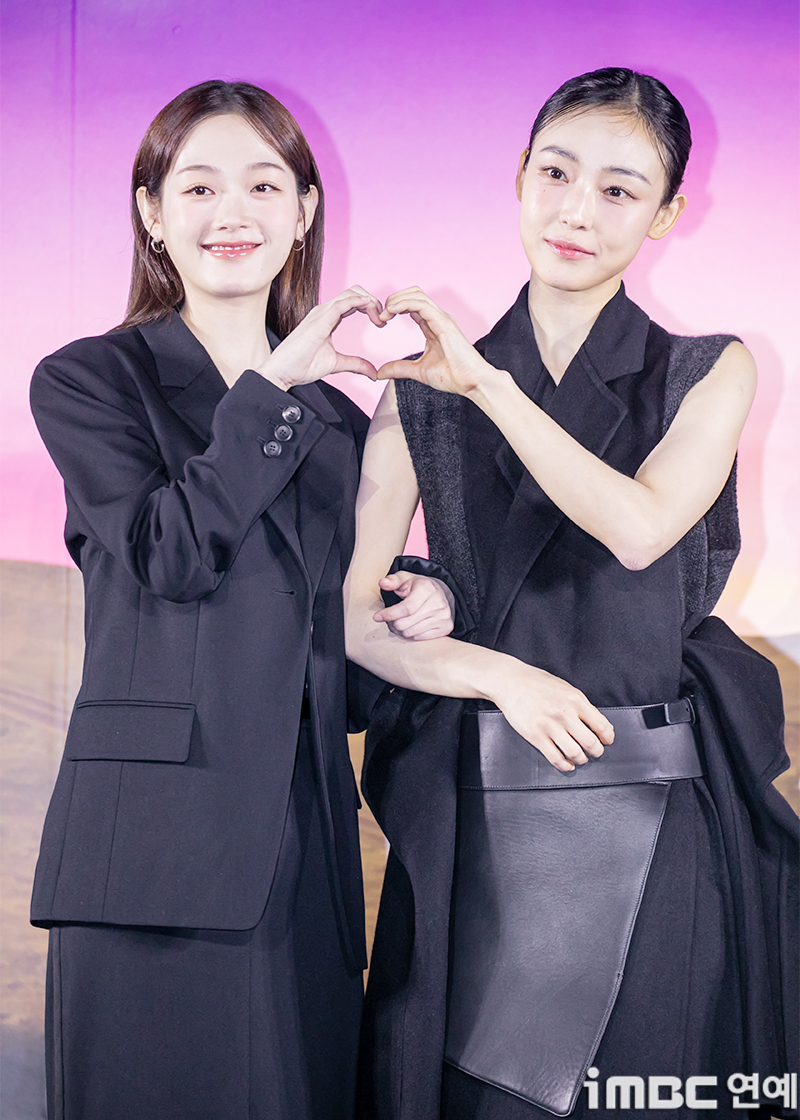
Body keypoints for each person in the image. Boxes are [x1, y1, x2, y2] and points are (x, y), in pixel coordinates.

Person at [345, 68, 798, 1120]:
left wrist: (488, 386)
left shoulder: (705, 369)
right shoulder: (417, 394)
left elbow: (638, 528)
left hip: (651, 805)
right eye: (555, 173)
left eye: (619, 190)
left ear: (665, 214)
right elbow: (352, 621)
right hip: (474, 806)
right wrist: (495, 672)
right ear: (519, 176)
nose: (577, 212)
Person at [28, 79, 454, 1120]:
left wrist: (422, 599)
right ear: (151, 212)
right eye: (199, 186)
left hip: (304, 859)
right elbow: (169, 554)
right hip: (150, 858)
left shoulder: (336, 425)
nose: (233, 212)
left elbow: (340, 670)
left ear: (304, 211)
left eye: (265, 185)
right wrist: (274, 388)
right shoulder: (88, 380)